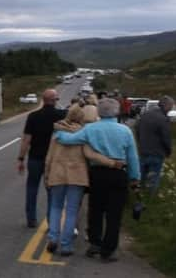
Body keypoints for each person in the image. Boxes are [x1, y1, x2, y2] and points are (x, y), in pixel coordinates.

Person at [56, 98, 141, 262]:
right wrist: (134, 179)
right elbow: (133, 157)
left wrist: (58, 132)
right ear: (116, 112)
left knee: (96, 210)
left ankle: (95, 243)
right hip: (118, 173)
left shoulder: (90, 129)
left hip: (97, 174)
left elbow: (69, 140)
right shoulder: (125, 131)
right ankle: (108, 250)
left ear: (99, 112)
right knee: (114, 214)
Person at [45, 105, 124, 256]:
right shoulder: (84, 134)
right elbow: (91, 155)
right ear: (81, 118)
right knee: (71, 211)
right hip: (77, 176)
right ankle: (66, 245)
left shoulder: (57, 133)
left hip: (57, 173)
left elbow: (49, 157)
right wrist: (112, 163)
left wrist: (47, 175)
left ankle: (53, 238)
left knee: (55, 207)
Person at [17, 89, 67, 228]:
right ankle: (52, 221)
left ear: (43, 100)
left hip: (35, 158)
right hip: (53, 159)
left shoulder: (33, 116)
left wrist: (21, 158)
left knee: (32, 187)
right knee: (52, 191)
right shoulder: (61, 115)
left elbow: (26, 139)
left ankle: (31, 219)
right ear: (54, 100)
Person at [136, 96, 175, 195]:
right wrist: (169, 151)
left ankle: (139, 196)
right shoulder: (163, 119)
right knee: (153, 178)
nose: (171, 108)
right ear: (166, 106)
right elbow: (166, 138)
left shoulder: (145, 115)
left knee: (141, 176)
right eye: (171, 106)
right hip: (157, 153)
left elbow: (137, 130)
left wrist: (140, 143)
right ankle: (150, 198)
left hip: (143, 151)